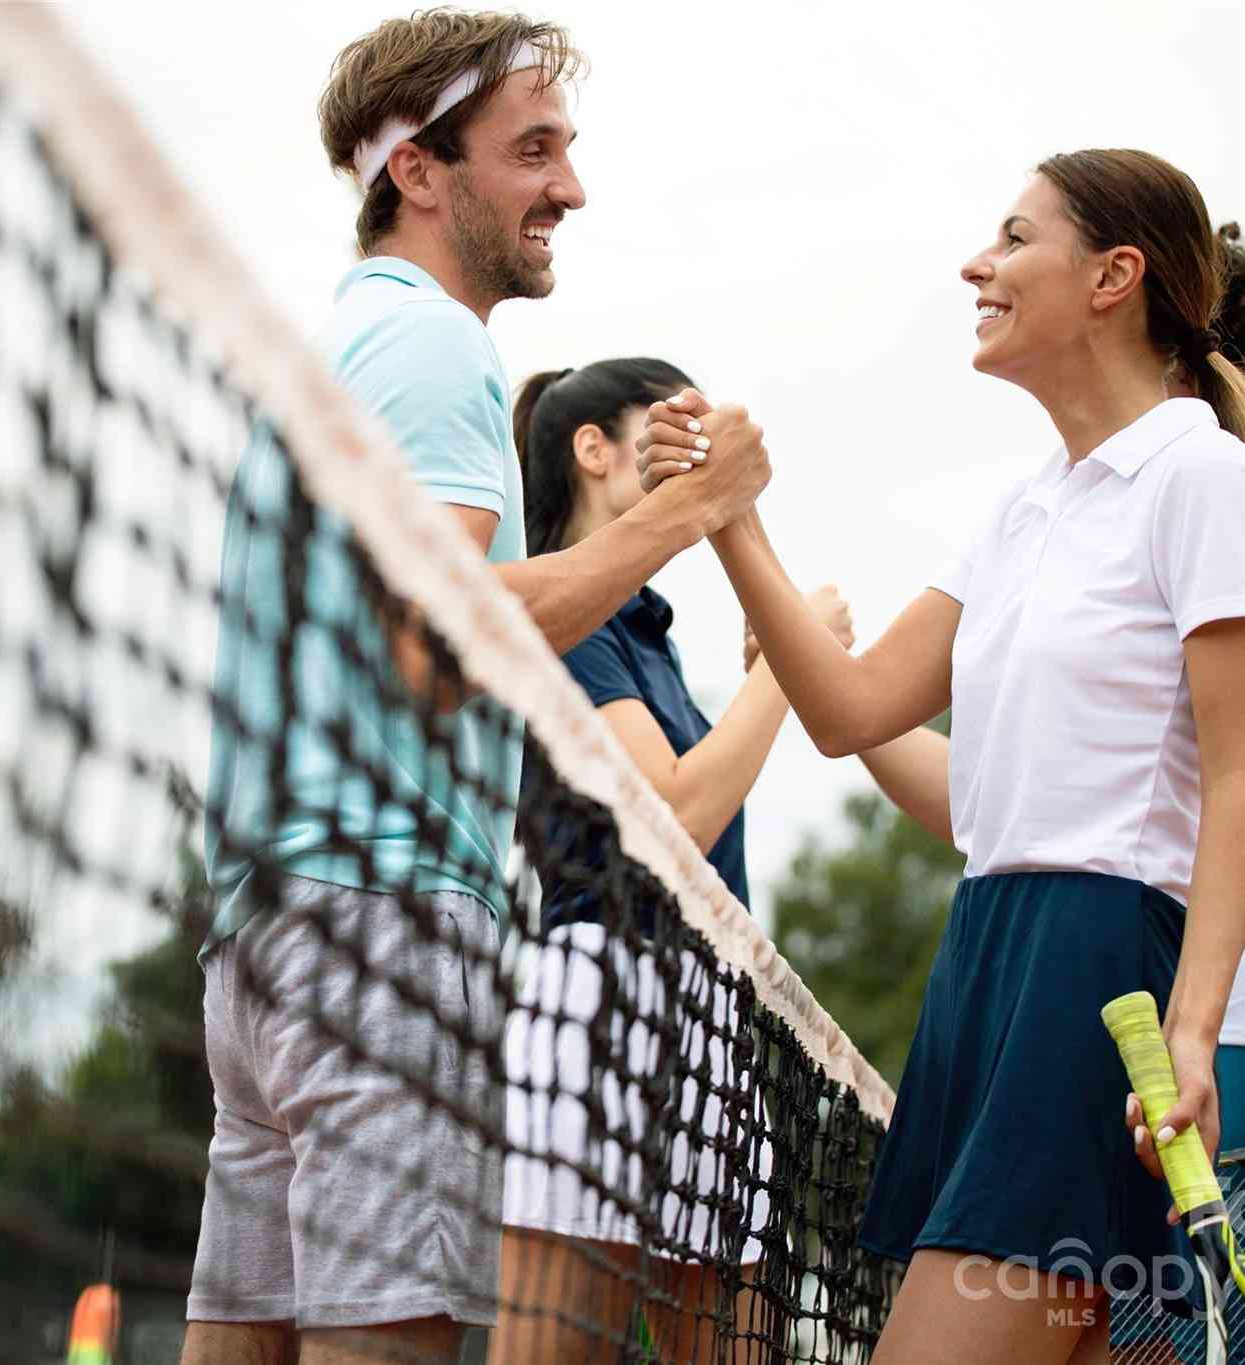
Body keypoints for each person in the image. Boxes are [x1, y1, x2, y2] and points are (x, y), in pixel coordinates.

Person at [183, 14, 773, 1365]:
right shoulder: (442, 352)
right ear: (420, 171)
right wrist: (690, 513)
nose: (569, 187)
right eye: (535, 150)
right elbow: (438, 647)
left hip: (262, 930)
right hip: (384, 917)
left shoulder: (338, 347)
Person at [636, 151, 1245, 1365]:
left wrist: (1190, 1028)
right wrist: (730, 519)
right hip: (984, 966)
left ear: (1115, 276)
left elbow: (1239, 774)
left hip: (1101, 975)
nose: (978, 264)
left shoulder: (1206, 479)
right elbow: (850, 707)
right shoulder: (1019, 510)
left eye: (1015, 239)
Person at [488, 357, 855, 1364]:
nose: (697, 435)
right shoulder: (569, 618)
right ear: (594, 448)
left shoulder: (651, 637)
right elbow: (673, 818)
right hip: (601, 997)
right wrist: (785, 669)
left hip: (713, 1014)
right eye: (667, 417)